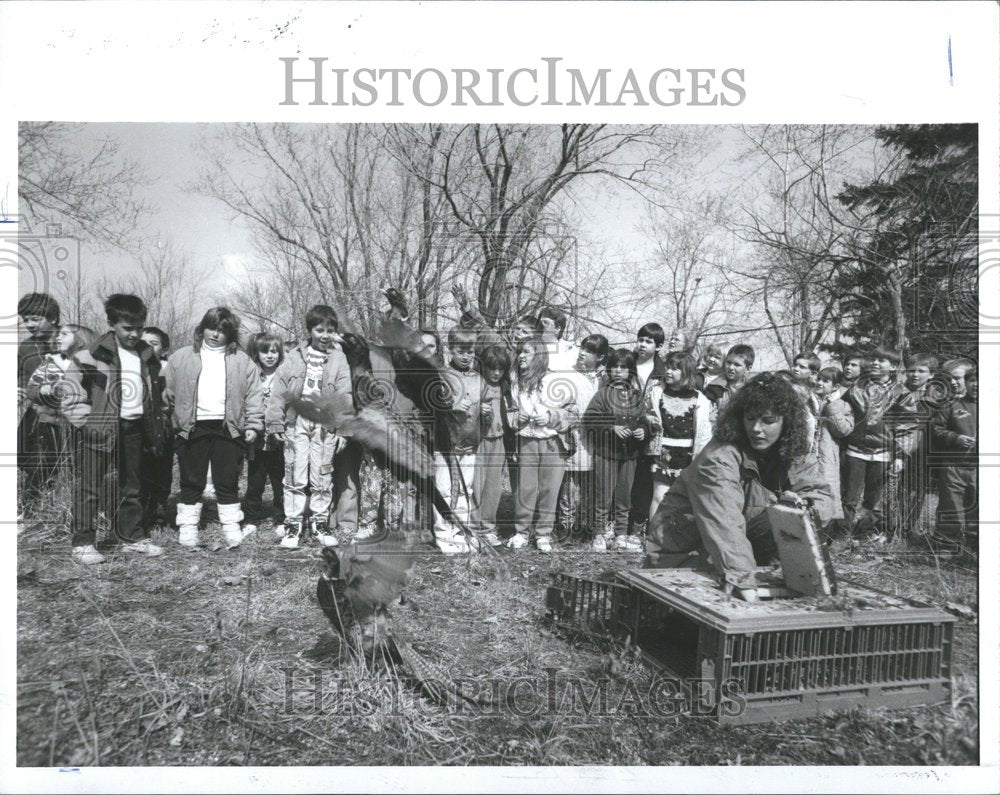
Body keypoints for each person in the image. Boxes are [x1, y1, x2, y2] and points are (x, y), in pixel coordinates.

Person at [645, 373, 834, 601]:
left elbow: (819, 496)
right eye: (750, 418)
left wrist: (802, 508)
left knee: (792, 513)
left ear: (787, 422)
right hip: (683, 555)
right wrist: (742, 578)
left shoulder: (793, 453)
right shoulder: (719, 458)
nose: (756, 428)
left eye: (767, 420)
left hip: (738, 550)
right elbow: (724, 520)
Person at [62, 294, 169, 564]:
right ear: (111, 324)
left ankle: (131, 538)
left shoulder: (147, 354)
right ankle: (84, 542)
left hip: (134, 428)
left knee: (132, 486)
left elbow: (155, 394)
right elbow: (71, 393)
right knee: (90, 486)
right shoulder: (91, 354)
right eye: (127, 328)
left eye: (139, 328)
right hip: (98, 428)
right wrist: (86, 421)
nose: (134, 334)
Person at [167, 307, 263, 549]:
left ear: (230, 335)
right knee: (191, 478)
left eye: (222, 330)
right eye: (211, 328)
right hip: (192, 427)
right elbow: (169, 393)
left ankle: (231, 525)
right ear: (202, 329)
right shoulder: (181, 357)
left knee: (227, 479)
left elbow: (253, 395)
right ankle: (188, 527)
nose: (215, 334)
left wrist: (252, 425)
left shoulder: (242, 361)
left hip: (228, 428)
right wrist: (175, 422)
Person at [267, 305, 352, 549]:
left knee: (322, 474)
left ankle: (319, 524)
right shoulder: (295, 355)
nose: (325, 335)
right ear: (310, 330)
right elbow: (279, 389)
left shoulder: (339, 358)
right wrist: (275, 420)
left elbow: (345, 393)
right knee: (294, 472)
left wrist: (344, 428)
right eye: (319, 329)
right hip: (297, 422)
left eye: (330, 330)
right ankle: (292, 525)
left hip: (325, 424)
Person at [507, 335, 579, 553]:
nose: (521, 356)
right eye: (520, 351)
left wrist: (551, 417)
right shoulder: (515, 383)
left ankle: (543, 534)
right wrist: (516, 420)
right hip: (527, 441)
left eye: (527, 352)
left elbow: (573, 414)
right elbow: (509, 412)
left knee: (550, 489)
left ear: (538, 356)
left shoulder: (555, 382)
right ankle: (521, 532)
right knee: (525, 489)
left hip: (553, 443)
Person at [841, 345, 918, 539]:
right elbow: (842, 412)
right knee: (849, 497)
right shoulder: (856, 387)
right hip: (855, 451)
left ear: (892, 367)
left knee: (873, 499)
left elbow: (907, 426)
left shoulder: (901, 393)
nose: (875, 362)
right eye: (873, 359)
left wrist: (900, 456)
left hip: (883, 454)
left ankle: (863, 535)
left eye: (881, 360)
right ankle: (842, 535)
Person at [584, 349, 651, 553]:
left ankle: (621, 534)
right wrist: (611, 427)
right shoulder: (603, 394)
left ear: (630, 370)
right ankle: (599, 534)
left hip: (629, 456)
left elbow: (644, 420)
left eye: (623, 367)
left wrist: (643, 431)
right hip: (606, 453)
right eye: (614, 366)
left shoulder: (636, 396)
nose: (618, 371)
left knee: (625, 496)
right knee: (603, 495)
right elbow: (590, 418)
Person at [24, 324, 98, 499]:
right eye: (58, 334)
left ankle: (75, 506)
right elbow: (31, 389)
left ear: (80, 339)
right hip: (49, 424)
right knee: (40, 466)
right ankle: (31, 508)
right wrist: (41, 391)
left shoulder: (90, 362)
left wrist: (59, 389)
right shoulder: (50, 362)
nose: (58, 337)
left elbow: (92, 392)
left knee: (80, 468)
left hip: (80, 424)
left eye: (64, 334)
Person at [431, 326, 481, 555]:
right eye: (461, 350)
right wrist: (449, 406)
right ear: (451, 349)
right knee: (444, 489)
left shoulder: (477, 377)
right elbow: (430, 404)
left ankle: (461, 532)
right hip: (445, 444)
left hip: (469, 444)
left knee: (464, 490)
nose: (466, 355)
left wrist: (485, 409)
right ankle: (443, 534)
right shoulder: (440, 374)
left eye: (470, 351)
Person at [646, 351, 712, 521]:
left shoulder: (700, 400)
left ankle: (674, 540)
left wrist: (699, 458)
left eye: (675, 369)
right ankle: (653, 537)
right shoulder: (657, 393)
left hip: (687, 456)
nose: (668, 371)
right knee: (659, 496)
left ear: (687, 373)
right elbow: (646, 415)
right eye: (668, 367)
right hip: (663, 453)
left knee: (682, 500)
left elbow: (704, 432)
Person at [556, 334, 608, 543]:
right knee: (571, 486)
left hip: (595, 440)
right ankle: (565, 528)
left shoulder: (601, 379)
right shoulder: (569, 374)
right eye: (583, 348)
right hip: (574, 438)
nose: (583, 353)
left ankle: (585, 527)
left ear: (600, 357)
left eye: (590, 351)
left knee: (589, 487)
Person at [17, 292, 62, 511]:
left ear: (52, 318)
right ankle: (30, 509)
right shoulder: (26, 347)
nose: (29, 324)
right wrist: (19, 392)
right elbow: (21, 377)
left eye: (35, 318)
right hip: (37, 413)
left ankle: (59, 504)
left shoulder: (69, 339)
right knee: (28, 456)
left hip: (68, 415)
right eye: (25, 319)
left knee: (61, 460)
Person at [928, 359, 977, 553]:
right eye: (949, 379)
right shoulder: (950, 405)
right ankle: (947, 545)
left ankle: (973, 548)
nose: (954, 383)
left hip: (979, 466)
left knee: (977, 505)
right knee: (950, 504)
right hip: (953, 465)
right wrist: (955, 438)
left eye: (958, 378)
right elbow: (936, 428)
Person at [470, 345, 516, 547]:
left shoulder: (506, 388)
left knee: (493, 487)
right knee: (476, 485)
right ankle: (472, 528)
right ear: (484, 367)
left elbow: (511, 417)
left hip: (499, 441)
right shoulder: (475, 383)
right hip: (478, 441)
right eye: (492, 368)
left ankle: (488, 528)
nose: (496, 373)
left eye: (501, 369)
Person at [242, 332, 286, 539]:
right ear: (256, 353)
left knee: (280, 479)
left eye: (274, 351)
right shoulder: (252, 374)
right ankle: (251, 519)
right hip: (257, 437)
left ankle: (281, 518)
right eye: (265, 351)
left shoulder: (284, 374)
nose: (270, 356)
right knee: (255, 479)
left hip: (278, 436)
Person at [630, 322, 668, 538]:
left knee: (645, 481)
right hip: (627, 431)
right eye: (640, 339)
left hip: (651, 435)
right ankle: (619, 524)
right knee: (625, 480)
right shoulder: (628, 365)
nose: (642, 344)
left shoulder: (662, 373)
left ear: (659, 346)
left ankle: (639, 524)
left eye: (648, 341)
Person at [138, 326, 173, 528]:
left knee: (163, 468)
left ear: (164, 349)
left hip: (164, 428)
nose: (148, 347)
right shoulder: (135, 367)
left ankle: (160, 507)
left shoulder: (167, 368)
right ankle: (142, 511)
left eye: (154, 343)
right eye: (144, 343)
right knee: (142, 470)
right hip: (141, 427)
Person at [814, 366, 854, 529]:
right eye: (818, 379)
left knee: (826, 492)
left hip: (827, 455)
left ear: (836, 387)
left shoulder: (842, 405)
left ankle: (825, 532)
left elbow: (843, 430)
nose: (819, 383)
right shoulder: (809, 399)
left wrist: (831, 407)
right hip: (808, 455)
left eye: (825, 380)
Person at [703, 344, 754, 417]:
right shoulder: (715, 387)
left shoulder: (752, 389)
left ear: (748, 368)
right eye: (729, 362)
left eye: (737, 365)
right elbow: (709, 415)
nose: (731, 367)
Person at [536, 305, 579, 374]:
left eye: (545, 322)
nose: (540, 326)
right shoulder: (529, 348)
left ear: (557, 329)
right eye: (539, 322)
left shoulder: (569, 354)